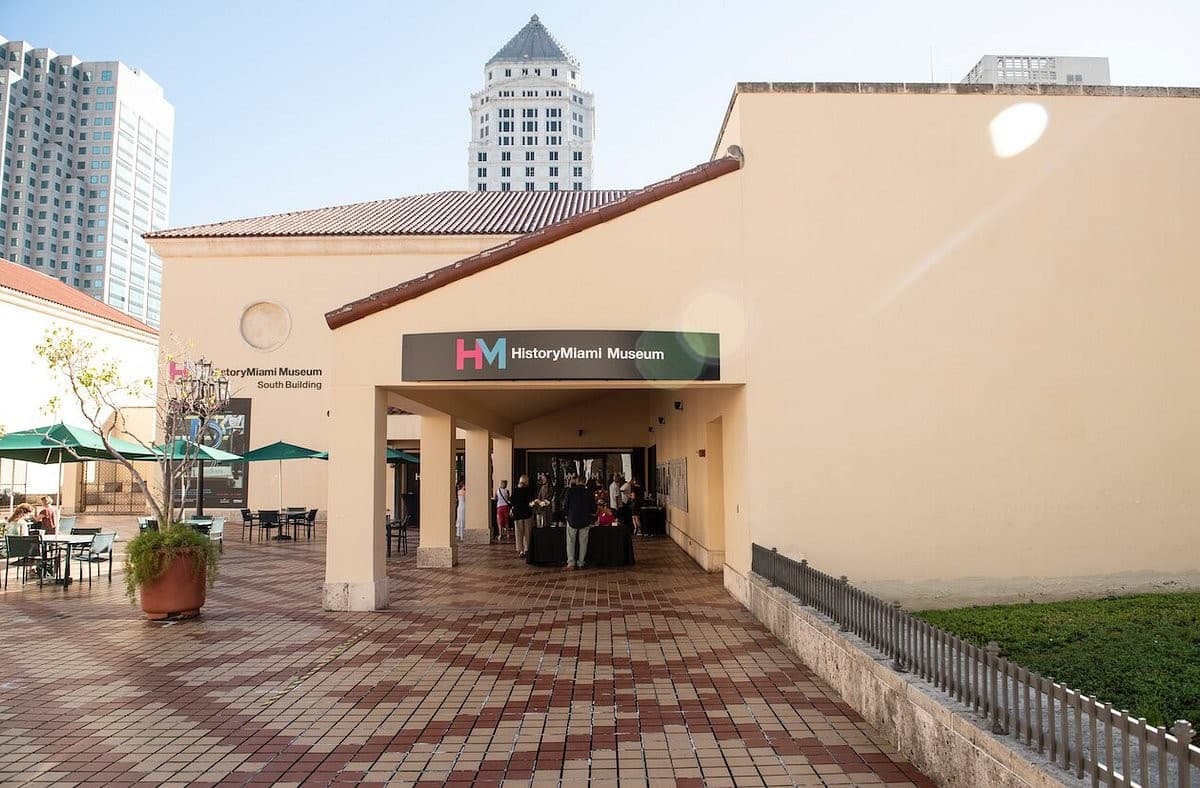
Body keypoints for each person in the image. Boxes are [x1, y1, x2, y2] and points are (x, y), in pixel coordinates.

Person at [564, 476, 595, 570]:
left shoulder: (570, 491)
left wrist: (566, 515)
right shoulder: (589, 492)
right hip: (585, 520)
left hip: (572, 519)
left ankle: (571, 563)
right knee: (583, 543)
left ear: (576, 482)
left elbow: (565, 505)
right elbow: (593, 508)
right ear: (585, 482)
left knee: (570, 542)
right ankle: (581, 563)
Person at [509, 474, 535, 557]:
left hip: (518, 514)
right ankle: (527, 549)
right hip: (527, 514)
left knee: (519, 532)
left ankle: (520, 550)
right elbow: (531, 501)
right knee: (527, 532)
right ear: (526, 481)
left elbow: (512, 501)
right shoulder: (529, 490)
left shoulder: (515, 490)